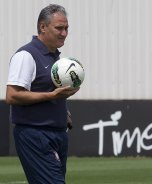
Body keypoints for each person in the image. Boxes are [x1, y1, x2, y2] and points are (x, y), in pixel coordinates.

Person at [5, 4, 79, 184]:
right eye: (59, 28)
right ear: (42, 27)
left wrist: (63, 111)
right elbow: (12, 96)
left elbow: (46, 89)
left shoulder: (55, 58)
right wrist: (52, 96)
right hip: (35, 135)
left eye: (66, 28)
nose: (64, 33)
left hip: (57, 134)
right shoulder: (26, 55)